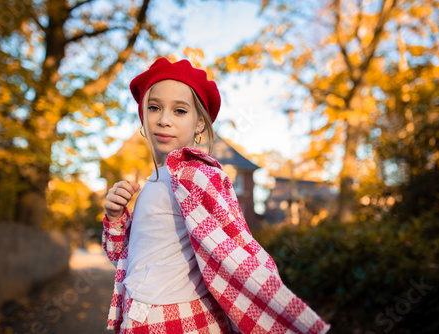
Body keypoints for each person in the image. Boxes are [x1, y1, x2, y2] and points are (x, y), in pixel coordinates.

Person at [102, 57, 330, 334]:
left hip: (181, 319)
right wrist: (115, 217)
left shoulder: (196, 173)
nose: (164, 119)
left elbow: (234, 240)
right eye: (154, 107)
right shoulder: (153, 181)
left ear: (200, 124)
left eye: (179, 111)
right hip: (138, 312)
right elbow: (125, 257)